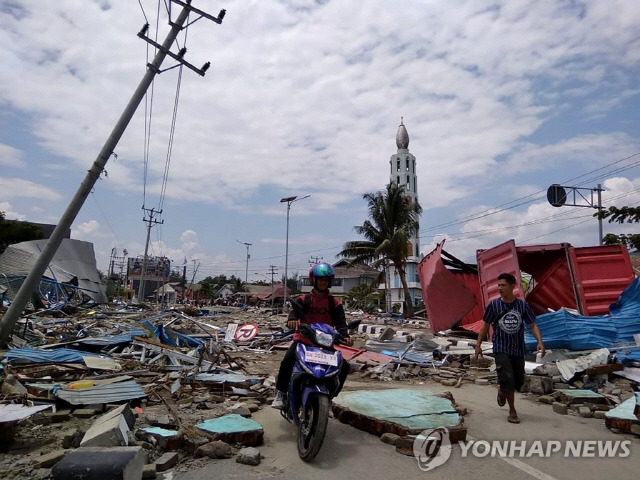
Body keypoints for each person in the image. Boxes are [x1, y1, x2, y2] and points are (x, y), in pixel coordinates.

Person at [272, 263, 353, 409]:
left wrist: (345, 335)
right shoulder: (304, 299)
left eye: (326, 280)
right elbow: (294, 312)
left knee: (344, 366)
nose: (323, 282)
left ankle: (329, 398)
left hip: (325, 344)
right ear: (313, 280)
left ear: (330, 281)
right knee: (288, 361)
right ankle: (281, 393)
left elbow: (341, 323)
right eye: (320, 279)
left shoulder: (334, 303)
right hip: (304, 341)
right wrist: (292, 320)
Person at [474, 272, 545, 424]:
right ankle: (512, 410)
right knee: (508, 378)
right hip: (501, 347)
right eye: (498, 285)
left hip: (518, 348)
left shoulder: (522, 306)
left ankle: (502, 390)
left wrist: (540, 341)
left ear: (513, 286)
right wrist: (478, 345)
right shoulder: (493, 305)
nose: (500, 288)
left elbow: (532, 324)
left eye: (503, 285)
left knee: (518, 381)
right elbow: (485, 326)